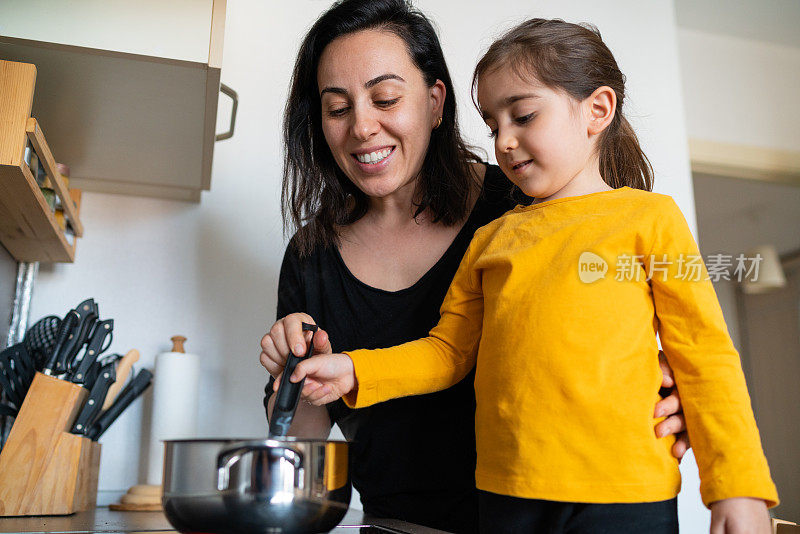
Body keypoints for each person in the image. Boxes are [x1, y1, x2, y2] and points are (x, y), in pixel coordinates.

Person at [283, 17, 779, 534]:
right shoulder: (492, 238)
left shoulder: (652, 221)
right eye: (494, 126)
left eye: (522, 116)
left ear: (598, 109)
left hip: (626, 491)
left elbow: (704, 356)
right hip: (505, 495)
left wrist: (737, 487)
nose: (505, 142)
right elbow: (448, 351)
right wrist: (354, 370)